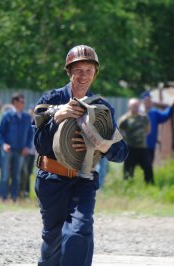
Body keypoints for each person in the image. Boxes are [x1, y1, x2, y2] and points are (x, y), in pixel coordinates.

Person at [33, 45, 128, 265]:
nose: (83, 75)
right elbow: (39, 144)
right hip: (51, 179)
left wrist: (103, 145)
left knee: (79, 232)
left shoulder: (103, 108)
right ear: (69, 71)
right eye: (78, 70)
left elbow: (122, 153)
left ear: (95, 73)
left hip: (83, 179)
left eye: (89, 70)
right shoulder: (51, 98)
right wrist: (56, 118)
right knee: (53, 241)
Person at [0, 93, 33, 202]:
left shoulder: (27, 117)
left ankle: (14, 197)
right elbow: (0, 133)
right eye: (22, 102)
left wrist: (27, 146)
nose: (23, 104)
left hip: (21, 151)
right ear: (15, 102)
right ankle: (3, 197)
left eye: (24, 101)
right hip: (8, 150)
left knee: (16, 175)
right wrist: (4, 144)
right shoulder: (6, 116)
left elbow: (30, 134)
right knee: (5, 175)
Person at [118, 98, 153, 184]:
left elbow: (148, 130)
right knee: (129, 168)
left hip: (142, 147)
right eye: (134, 106)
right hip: (130, 148)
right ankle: (127, 185)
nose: (136, 108)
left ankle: (150, 184)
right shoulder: (124, 119)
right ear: (129, 107)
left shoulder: (144, 117)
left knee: (148, 166)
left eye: (137, 106)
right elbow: (119, 132)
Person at [141, 91, 174, 165]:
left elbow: (165, 116)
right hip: (138, 146)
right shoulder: (138, 113)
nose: (148, 102)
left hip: (150, 146)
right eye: (147, 100)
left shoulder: (154, 113)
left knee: (148, 166)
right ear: (142, 101)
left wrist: (171, 106)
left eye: (150, 100)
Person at [19, 105, 36, 197]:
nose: (33, 113)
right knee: (23, 172)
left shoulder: (38, 123)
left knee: (28, 173)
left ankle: (26, 192)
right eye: (32, 111)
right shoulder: (26, 122)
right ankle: (21, 191)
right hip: (25, 151)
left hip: (33, 152)